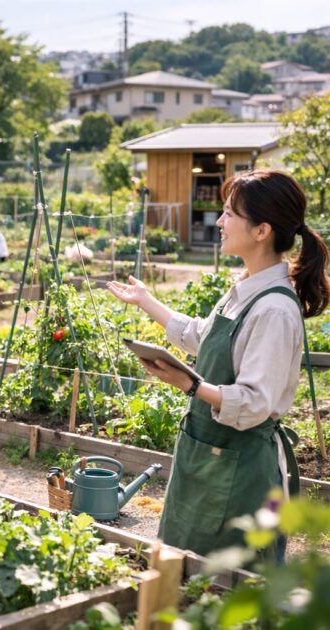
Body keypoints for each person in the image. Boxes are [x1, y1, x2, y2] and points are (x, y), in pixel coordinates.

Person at [106, 169, 329, 560]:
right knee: (189, 574)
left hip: (243, 469)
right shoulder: (244, 289)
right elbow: (202, 336)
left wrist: (190, 385)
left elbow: (254, 402)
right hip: (208, 453)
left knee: (234, 587)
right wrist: (146, 300)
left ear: (261, 231)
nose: (220, 222)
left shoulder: (274, 309)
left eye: (229, 213)